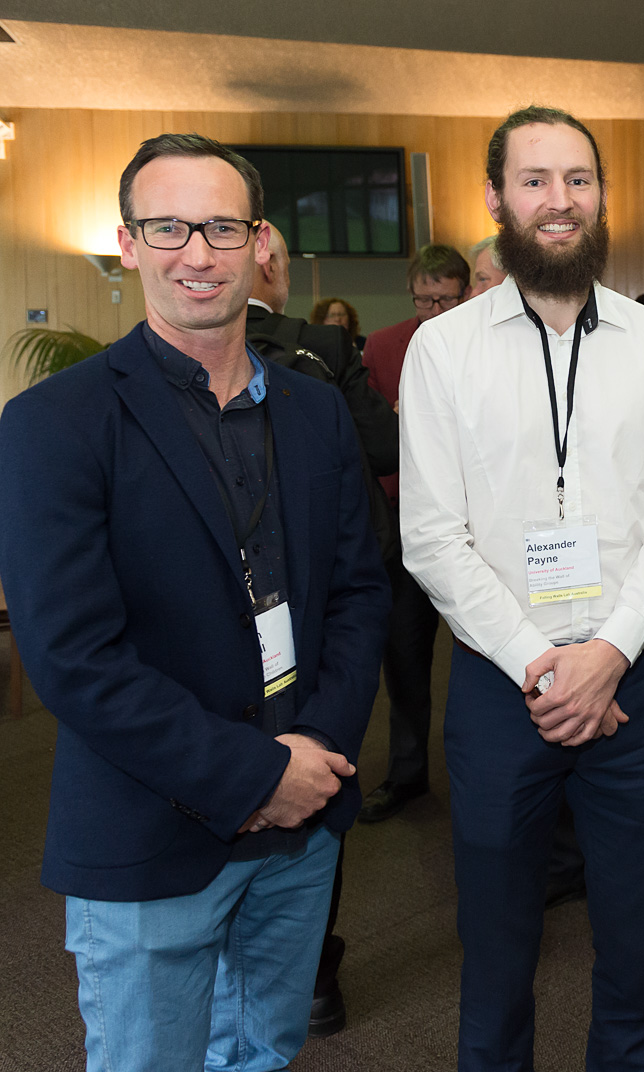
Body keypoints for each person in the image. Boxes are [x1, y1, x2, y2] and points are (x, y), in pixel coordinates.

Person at [0, 132, 389, 1071]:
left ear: (258, 242)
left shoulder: (313, 409)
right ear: (129, 243)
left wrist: (315, 758)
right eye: (167, 226)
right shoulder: (56, 423)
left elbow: (360, 594)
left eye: (220, 226)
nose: (197, 253)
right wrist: (254, 775)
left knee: (265, 1051)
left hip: (302, 827)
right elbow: (74, 658)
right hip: (152, 830)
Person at [399, 105, 644, 1070]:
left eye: (578, 179)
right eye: (534, 180)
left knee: (633, 941)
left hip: (636, 686)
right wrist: (546, 666)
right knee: (496, 947)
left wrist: (608, 654)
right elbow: (432, 539)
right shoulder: (442, 350)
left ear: (602, 196)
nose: (559, 200)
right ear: (496, 198)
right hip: (503, 689)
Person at [247, 222, 401, 1037]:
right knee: (319, 760)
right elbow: (383, 443)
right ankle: (312, 977)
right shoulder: (322, 346)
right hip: (320, 613)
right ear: (271, 259)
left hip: (235, 622)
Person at [358, 243, 470, 822]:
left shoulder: (488, 341)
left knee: (491, 653)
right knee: (403, 654)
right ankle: (407, 774)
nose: (432, 310)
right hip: (406, 523)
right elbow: (368, 444)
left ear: (467, 292)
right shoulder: (381, 347)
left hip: (481, 525)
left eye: (443, 299)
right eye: (423, 299)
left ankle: (493, 770)